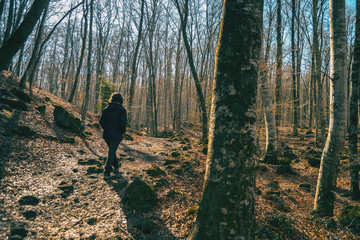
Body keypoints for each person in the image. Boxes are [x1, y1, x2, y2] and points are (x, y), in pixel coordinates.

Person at [99, 92, 127, 180]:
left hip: (107, 134)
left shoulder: (105, 109)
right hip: (116, 135)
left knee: (112, 151)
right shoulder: (122, 110)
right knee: (111, 152)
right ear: (120, 100)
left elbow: (101, 122)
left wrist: (106, 128)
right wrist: (122, 132)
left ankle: (116, 166)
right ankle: (107, 172)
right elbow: (123, 124)